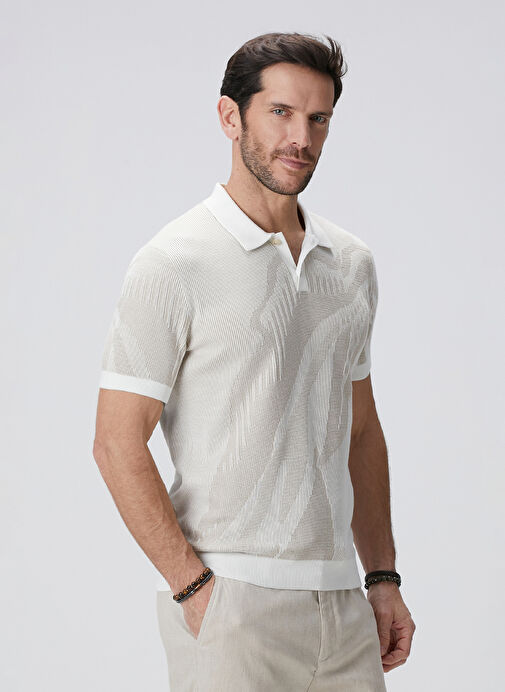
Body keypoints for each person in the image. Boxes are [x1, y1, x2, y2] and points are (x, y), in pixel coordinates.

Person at [93, 31, 415, 691]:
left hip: (342, 605)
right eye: (280, 112)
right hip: (231, 602)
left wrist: (381, 577)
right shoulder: (173, 262)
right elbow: (116, 441)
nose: (301, 137)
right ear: (230, 116)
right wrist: (194, 589)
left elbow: (359, 431)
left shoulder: (350, 264)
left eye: (318, 118)